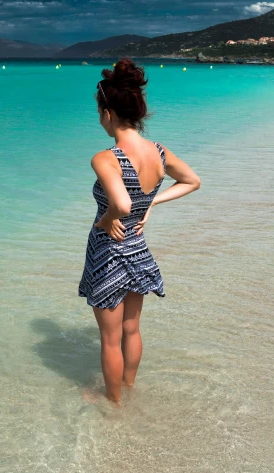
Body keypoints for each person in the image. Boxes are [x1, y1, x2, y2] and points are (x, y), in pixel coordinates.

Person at [78, 59, 201, 403]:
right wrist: (154, 203)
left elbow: (122, 204)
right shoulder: (158, 152)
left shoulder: (106, 157)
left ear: (107, 112)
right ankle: (129, 388)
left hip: (108, 252)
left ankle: (112, 402)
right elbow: (192, 181)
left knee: (109, 338)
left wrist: (106, 220)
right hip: (138, 248)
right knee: (131, 328)